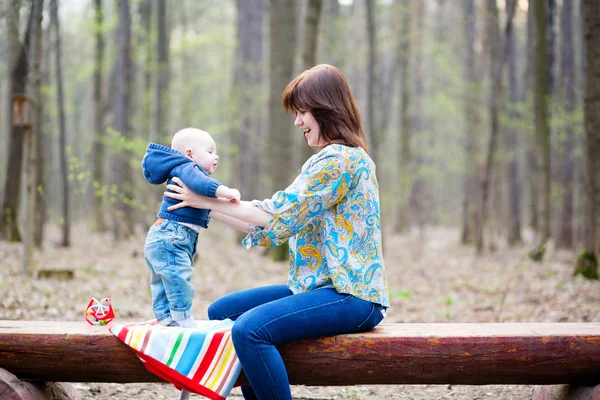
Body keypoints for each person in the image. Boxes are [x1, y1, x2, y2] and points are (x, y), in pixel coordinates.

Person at [164, 64, 389, 399]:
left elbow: (272, 214)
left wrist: (207, 195)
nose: (297, 121)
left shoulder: (338, 161)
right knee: (222, 313)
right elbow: (278, 223)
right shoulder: (333, 160)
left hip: (352, 294)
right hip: (321, 286)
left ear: (326, 109)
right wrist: (203, 204)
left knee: (249, 330)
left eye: (302, 112)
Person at [141, 127, 241, 328]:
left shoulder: (181, 171)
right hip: (172, 236)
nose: (216, 156)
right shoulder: (188, 168)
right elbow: (201, 183)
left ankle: (167, 318)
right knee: (178, 277)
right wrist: (225, 191)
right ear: (189, 154)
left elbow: (202, 199)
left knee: (163, 280)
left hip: (164, 236)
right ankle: (183, 318)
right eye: (210, 151)